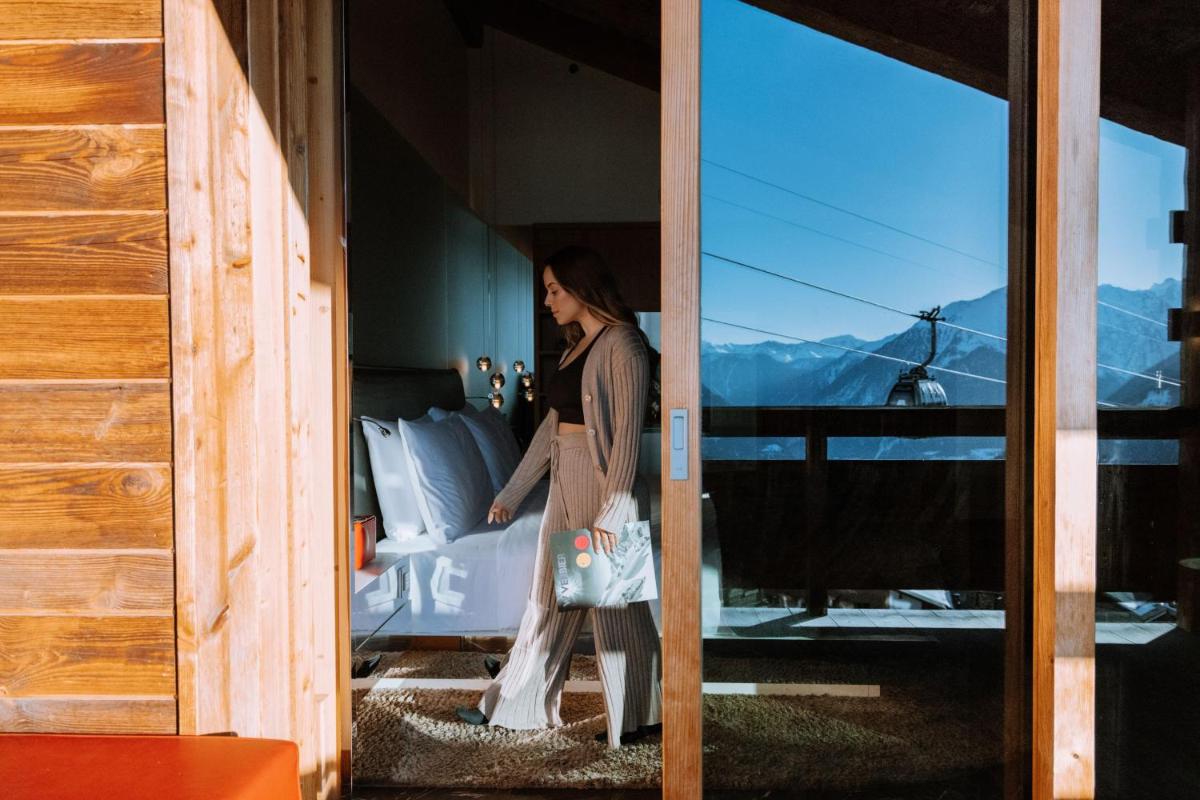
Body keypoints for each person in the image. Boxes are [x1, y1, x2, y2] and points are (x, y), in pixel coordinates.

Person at [455, 245, 663, 749]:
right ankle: (515, 704)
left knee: (615, 607)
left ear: (581, 287)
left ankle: (639, 718)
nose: (547, 301)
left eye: (554, 290)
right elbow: (552, 429)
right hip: (565, 481)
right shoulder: (575, 348)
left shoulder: (624, 343)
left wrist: (616, 505)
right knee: (546, 597)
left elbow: (628, 432)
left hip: (602, 486)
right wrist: (513, 491)